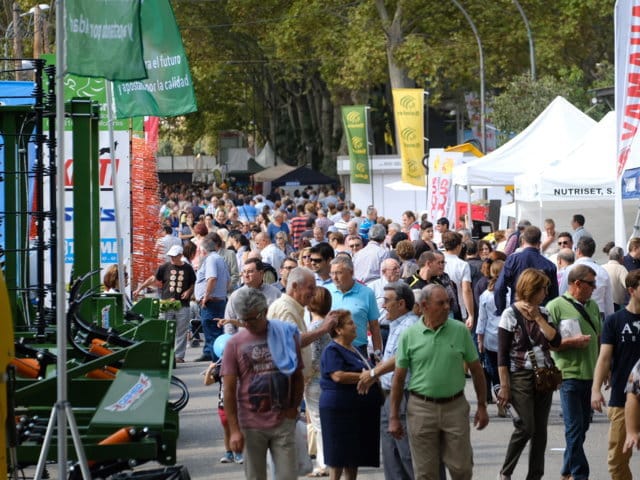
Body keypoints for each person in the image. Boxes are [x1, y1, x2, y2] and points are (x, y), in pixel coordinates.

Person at [388, 284, 488, 480]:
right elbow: (398, 378)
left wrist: (482, 406)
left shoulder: (459, 331)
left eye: (448, 303)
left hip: (455, 407)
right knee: (426, 473)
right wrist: (393, 417)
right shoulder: (409, 335)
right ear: (424, 306)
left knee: (462, 469)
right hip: (421, 409)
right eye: (440, 303)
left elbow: (476, 370)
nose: (447, 307)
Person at [221, 288, 304, 480]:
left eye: (252, 319)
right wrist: (234, 430)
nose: (248, 324)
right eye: (244, 320)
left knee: (287, 476)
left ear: (265, 311)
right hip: (251, 424)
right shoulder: (234, 343)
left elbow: (297, 374)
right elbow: (229, 389)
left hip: (283, 419)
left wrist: (294, 407)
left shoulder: (286, 335)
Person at [496, 268, 561, 480]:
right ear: (531, 289)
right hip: (520, 375)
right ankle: (506, 472)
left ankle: (535, 475)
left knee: (540, 431)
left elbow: (556, 341)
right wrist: (504, 386)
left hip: (544, 375)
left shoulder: (544, 312)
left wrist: (539, 319)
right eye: (543, 288)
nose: (546, 292)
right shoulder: (510, 314)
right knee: (526, 426)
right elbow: (502, 355)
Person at [358, 282, 419, 480]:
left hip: (402, 395)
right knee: (392, 455)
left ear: (401, 304)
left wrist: (374, 373)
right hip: (389, 394)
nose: (383, 306)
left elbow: (400, 358)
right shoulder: (396, 324)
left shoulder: (409, 326)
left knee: (407, 453)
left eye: (387, 301)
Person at [547, 265, 602, 480]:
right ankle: (580, 475)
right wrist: (570, 342)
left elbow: (599, 337)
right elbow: (548, 343)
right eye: (591, 284)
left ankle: (567, 469)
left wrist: (602, 368)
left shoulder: (593, 306)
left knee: (583, 426)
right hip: (568, 374)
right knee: (574, 428)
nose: (594, 288)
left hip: (591, 375)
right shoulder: (555, 306)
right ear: (577, 284)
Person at [320, 309, 383, 480]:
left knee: (353, 456)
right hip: (339, 410)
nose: (355, 326)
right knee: (338, 456)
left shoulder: (355, 349)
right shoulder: (332, 349)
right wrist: (368, 376)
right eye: (350, 323)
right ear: (338, 330)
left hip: (357, 410)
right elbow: (338, 376)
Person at [592, 269, 640, 479]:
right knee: (617, 460)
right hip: (621, 399)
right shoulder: (615, 321)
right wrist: (596, 389)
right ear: (631, 290)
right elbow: (603, 358)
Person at [133, 245, 196, 364]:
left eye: (174, 256)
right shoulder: (164, 267)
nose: (172, 258)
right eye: (171, 256)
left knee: (181, 331)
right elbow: (153, 278)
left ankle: (178, 356)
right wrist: (140, 288)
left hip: (182, 303)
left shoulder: (188, 268)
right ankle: (165, 352)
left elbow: (193, 283)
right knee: (164, 328)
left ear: (181, 256)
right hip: (167, 303)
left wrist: (188, 291)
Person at [494, 226, 558, 315]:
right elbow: (554, 296)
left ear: (523, 241)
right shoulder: (550, 266)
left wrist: (501, 310)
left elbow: (499, 287)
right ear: (539, 243)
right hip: (539, 313)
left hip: (517, 310)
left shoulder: (513, 260)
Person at [305, 287, 334, 477]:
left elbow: (313, 357)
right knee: (324, 422)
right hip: (327, 379)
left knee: (319, 423)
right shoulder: (328, 325)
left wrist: (304, 378)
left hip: (316, 381)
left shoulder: (315, 328)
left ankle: (324, 462)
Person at [328, 255, 382, 358]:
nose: (334, 278)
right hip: (332, 349)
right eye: (332, 273)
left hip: (358, 350)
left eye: (339, 273)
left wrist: (378, 354)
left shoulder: (367, 293)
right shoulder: (327, 292)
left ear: (351, 272)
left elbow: (374, 326)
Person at [194, 234, 231, 362]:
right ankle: (218, 361)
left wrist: (206, 297)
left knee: (213, 335)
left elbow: (212, 278)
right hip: (219, 300)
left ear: (203, 250)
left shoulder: (210, 260)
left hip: (211, 302)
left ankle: (217, 364)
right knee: (217, 333)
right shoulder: (220, 258)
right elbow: (228, 281)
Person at [559, 236, 614, 318]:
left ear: (578, 250)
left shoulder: (569, 270)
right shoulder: (603, 272)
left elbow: (562, 293)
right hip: (598, 314)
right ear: (593, 251)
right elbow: (608, 301)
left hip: (574, 313)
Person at [476, 259, 505, 413]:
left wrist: (479, 339)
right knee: (507, 367)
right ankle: (507, 394)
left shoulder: (486, 295)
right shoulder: (509, 292)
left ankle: (499, 392)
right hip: (507, 335)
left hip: (490, 336)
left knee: (493, 369)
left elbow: (482, 319)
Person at [442, 231, 474, 328]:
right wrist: (471, 314)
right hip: (459, 308)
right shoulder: (463, 265)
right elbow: (466, 290)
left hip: (439, 308)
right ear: (458, 246)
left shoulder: (437, 260)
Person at [602, 246, 629, 310]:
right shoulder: (621, 269)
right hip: (617, 306)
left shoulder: (601, 267)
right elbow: (629, 285)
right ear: (621, 258)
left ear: (609, 257)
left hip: (603, 304)